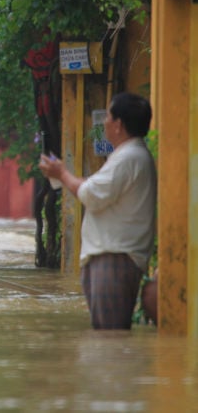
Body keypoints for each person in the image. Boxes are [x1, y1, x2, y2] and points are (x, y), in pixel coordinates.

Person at [38, 92, 156, 330]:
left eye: (108, 116)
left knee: (109, 340)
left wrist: (62, 174)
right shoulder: (128, 156)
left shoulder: (128, 158)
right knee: (106, 339)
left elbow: (91, 195)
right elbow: (96, 189)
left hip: (114, 259)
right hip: (112, 258)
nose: (105, 122)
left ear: (119, 124)